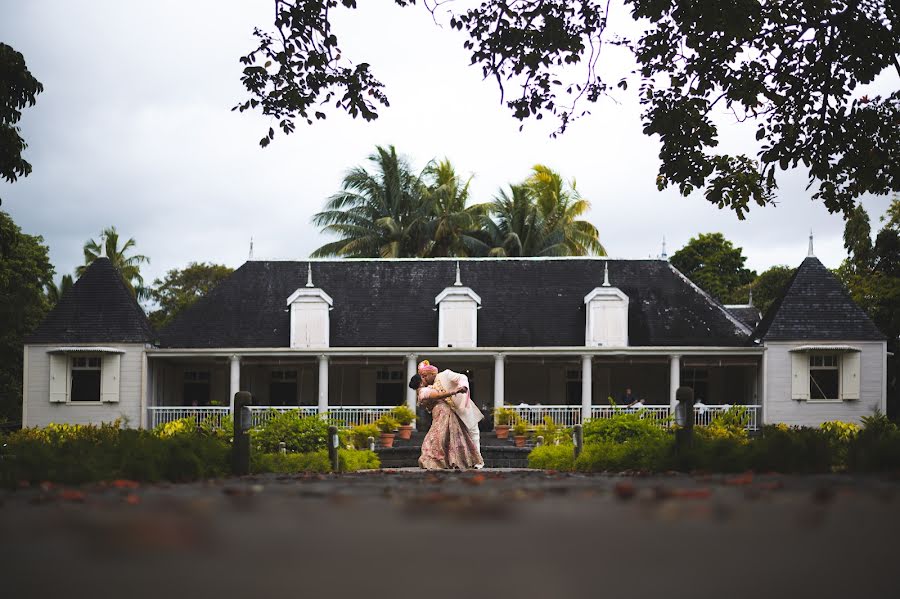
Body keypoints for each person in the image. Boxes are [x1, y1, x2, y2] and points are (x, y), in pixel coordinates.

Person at [413, 361, 484, 470]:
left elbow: (462, 377)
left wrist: (463, 387)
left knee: (473, 433)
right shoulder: (428, 387)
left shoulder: (445, 374)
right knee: (452, 438)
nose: (424, 379)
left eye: (425, 376)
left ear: (432, 373)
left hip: (462, 407)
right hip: (448, 414)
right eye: (422, 377)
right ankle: (456, 461)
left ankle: (477, 462)